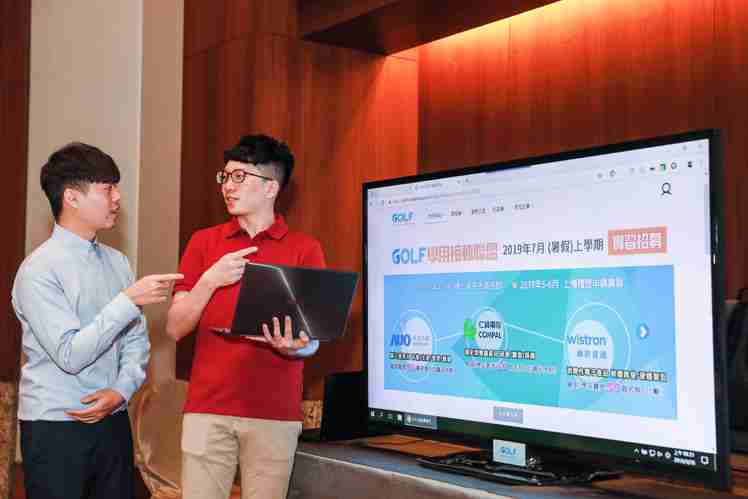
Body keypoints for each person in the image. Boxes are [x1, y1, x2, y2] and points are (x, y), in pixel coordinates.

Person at [12, 142, 183, 499]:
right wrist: (126, 301)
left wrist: (121, 391)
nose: (117, 198)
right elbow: (70, 354)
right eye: (107, 188)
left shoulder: (117, 262)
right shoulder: (38, 270)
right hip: (55, 425)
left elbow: (136, 342)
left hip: (113, 419)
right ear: (72, 197)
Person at [166, 134, 325, 499]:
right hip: (208, 408)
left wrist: (293, 347)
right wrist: (210, 280)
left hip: (275, 413)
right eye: (225, 177)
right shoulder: (204, 243)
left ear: (271, 187)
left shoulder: (305, 249)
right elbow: (174, 328)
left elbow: (312, 340)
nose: (228, 186)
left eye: (239, 177)